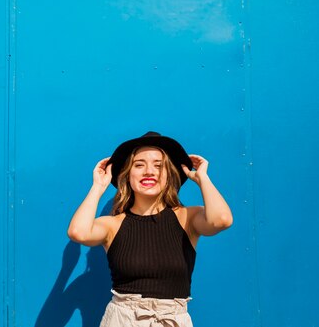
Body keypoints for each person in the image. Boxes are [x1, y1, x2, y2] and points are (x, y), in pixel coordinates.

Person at [67, 131, 233, 327]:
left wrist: (202, 178)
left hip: (172, 320)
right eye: (139, 165)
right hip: (123, 320)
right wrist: (98, 186)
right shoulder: (113, 224)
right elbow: (79, 232)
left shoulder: (187, 217)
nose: (149, 171)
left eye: (159, 165)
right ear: (127, 175)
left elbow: (221, 220)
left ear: (170, 175)